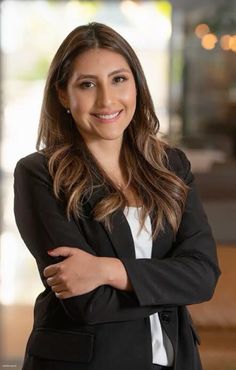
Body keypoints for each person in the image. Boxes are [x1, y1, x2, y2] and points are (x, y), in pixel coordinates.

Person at [14, 22, 220, 370]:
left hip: (177, 360)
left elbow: (203, 276)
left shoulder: (171, 165)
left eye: (119, 79)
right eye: (87, 84)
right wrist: (172, 283)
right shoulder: (40, 173)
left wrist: (107, 270)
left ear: (136, 85)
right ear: (63, 95)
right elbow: (87, 302)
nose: (107, 99)